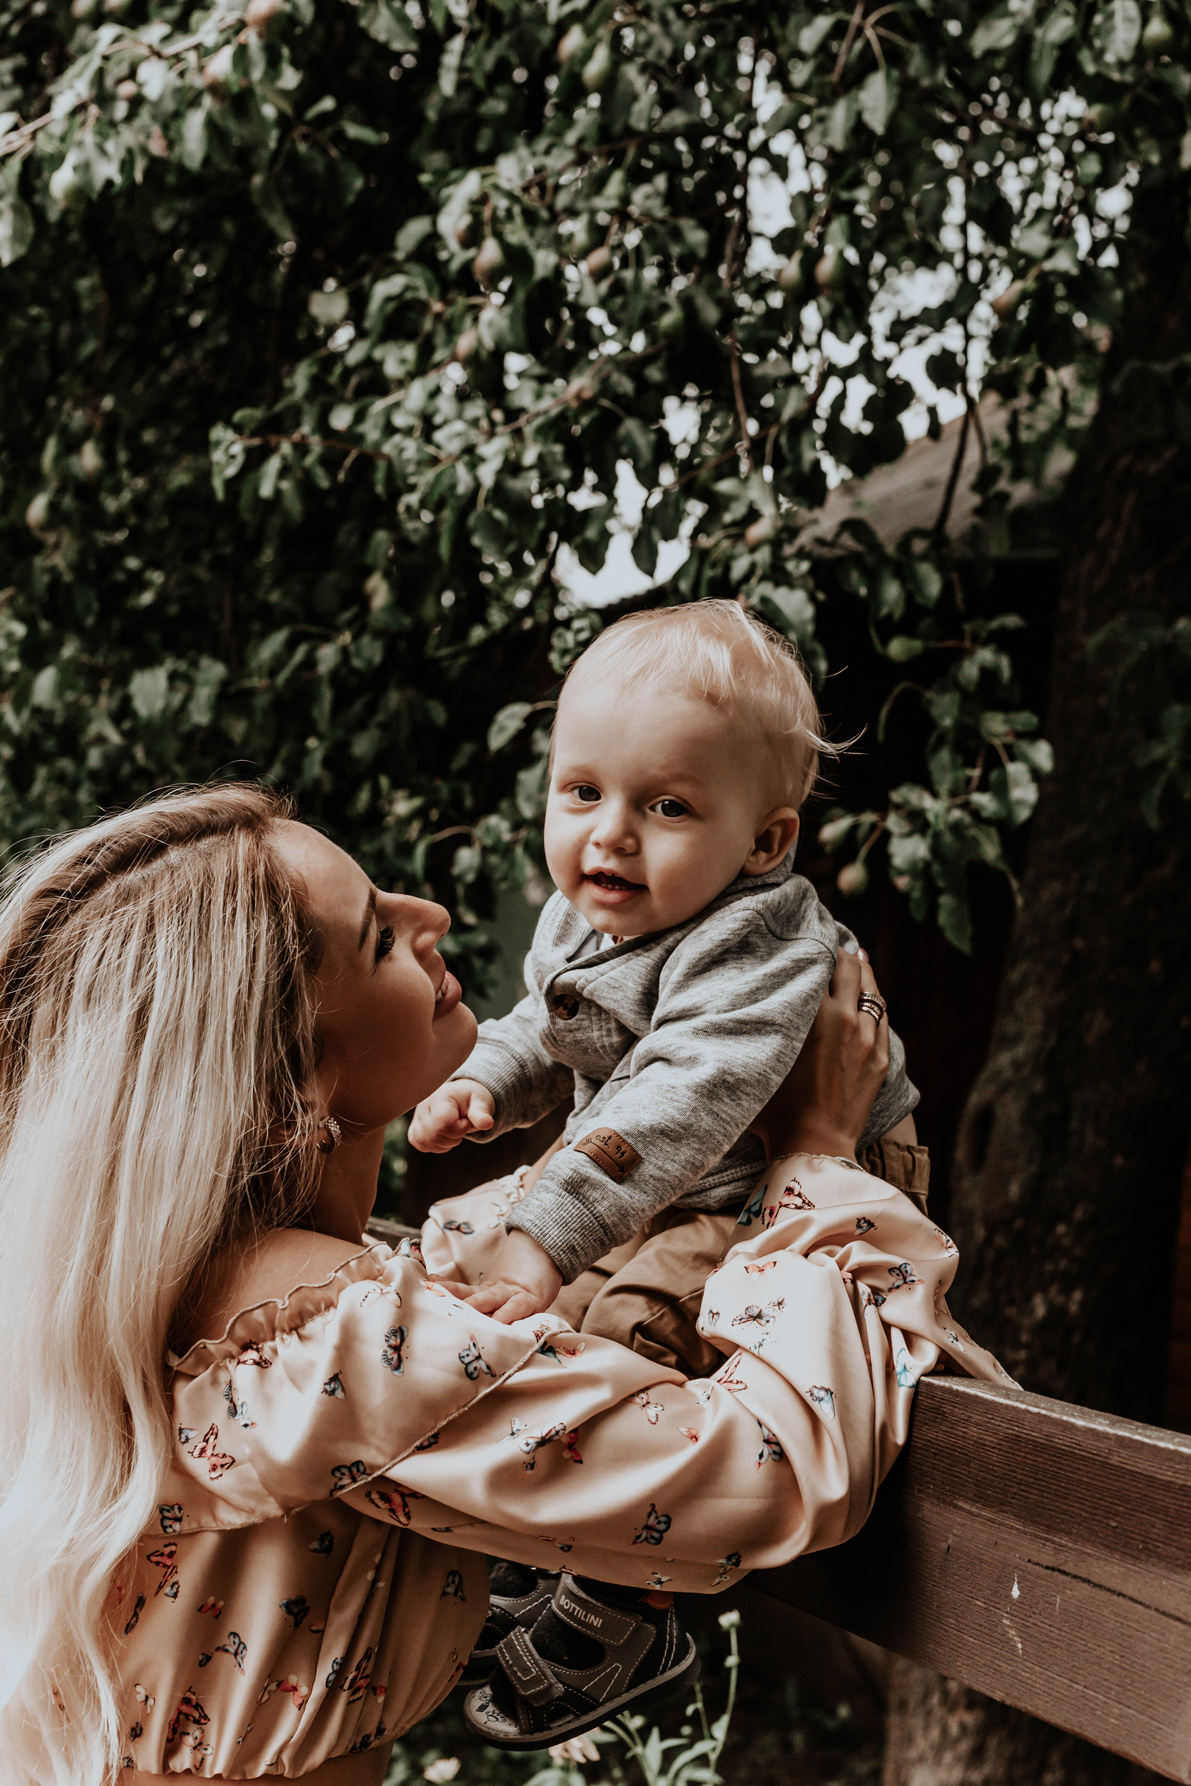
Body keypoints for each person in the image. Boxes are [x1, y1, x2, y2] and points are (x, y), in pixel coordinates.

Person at [0, 784, 1004, 1786]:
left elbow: (462, 1276)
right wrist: (818, 1153)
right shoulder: (331, 1338)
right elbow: (767, 1474)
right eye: (378, 939)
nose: (429, 918)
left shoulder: (152, 1292)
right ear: (285, 1100)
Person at [409, 600, 923, 1342]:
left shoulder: (754, 940)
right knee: (517, 1302)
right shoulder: (597, 911)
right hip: (661, 1173)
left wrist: (544, 1241)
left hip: (782, 1180)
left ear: (764, 842)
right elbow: (557, 1016)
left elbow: (689, 1087)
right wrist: (484, 1077)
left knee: (628, 1323)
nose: (610, 833)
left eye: (667, 806)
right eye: (583, 792)